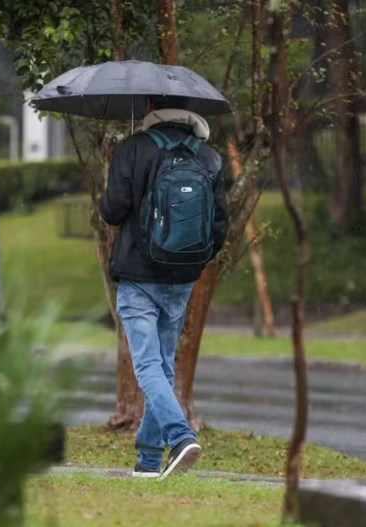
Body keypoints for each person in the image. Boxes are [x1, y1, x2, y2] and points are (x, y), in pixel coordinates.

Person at [99, 95, 229, 479]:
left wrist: (123, 169)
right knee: (163, 368)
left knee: (148, 366)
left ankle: (180, 436)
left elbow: (111, 210)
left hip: (138, 276)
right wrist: (189, 262)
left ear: (153, 107)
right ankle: (149, 461)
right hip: (181, 278)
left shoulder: (133, 148)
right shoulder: (209, 157)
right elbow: (219, 227)